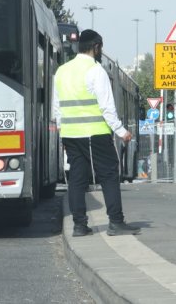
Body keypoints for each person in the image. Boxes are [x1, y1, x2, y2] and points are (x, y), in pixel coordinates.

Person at [53, 29, 141, 237]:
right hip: (95, 134)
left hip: (70, 134)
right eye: (100, 48)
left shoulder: (61, 71)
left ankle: (79, 225)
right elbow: (106, 107)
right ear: (96, 47)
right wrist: (121, 131)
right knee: (109, 175)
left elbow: (57, 108)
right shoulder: (95, 70)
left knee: (77, 179)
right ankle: (116, 222)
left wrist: (62, 132)